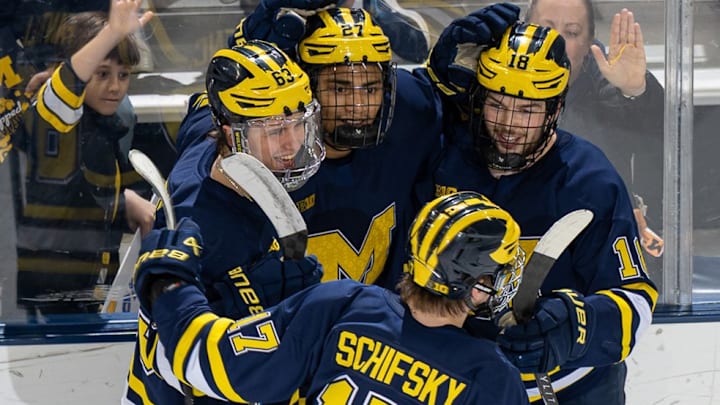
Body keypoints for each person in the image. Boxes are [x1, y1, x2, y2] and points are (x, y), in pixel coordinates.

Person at [424, 17, 658, 405]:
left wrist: (576, 326)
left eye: (528, 109)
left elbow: (635, 300)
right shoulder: (446, 154)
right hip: (457, 384)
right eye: (497, 104)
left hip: (572, 388)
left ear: (556, 109)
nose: (509, 125)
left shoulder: (588, 180)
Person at [130, 191, 531, 404]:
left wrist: (170, 282)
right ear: (475, 285)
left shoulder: (341, 305)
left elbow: (202, 361)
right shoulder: (492, 377)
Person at [123, 40, 326, 404]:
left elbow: (201, 105)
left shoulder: (209, 136)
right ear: (232, 133)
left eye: (298, 123)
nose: (292, 144)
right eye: (275, 129)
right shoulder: (201, 230)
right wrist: (255, 311)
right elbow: (177, 361)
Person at [231, 6, 447, 290]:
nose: (357, 107)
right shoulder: (266, 149)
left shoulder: (413, 113)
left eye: (370, 89)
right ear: (306, 87)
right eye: (339, 89)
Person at [11, 0, 156, 316]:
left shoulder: (105, 125)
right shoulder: (54, 118)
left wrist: (123, 201)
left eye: (123, 74)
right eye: (102, 73)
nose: (115, 86)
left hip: (88, 286)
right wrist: (113, 32)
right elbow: (64, 88)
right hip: (47, 297)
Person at [526, 0, 665, 260]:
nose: (556, 42)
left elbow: (664, 134)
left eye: (572, 32)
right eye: (547, 28)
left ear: (588, 43)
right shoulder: (497, 81)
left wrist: (635, 89)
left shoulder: (605, 85)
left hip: (594, 247)